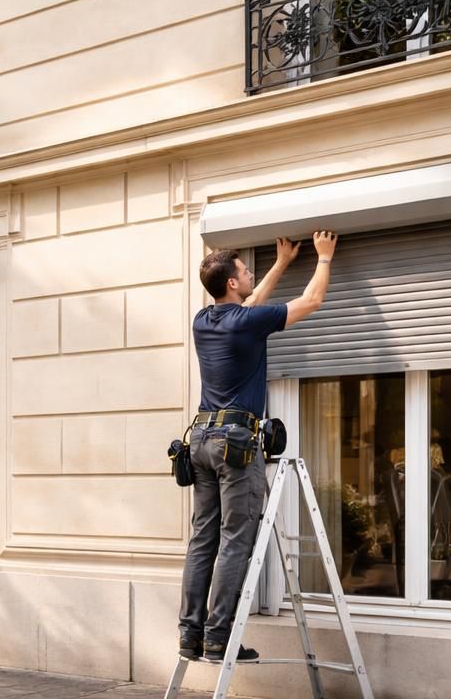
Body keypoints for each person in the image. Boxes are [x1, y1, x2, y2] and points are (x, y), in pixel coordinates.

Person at [179, 230, 339, 662]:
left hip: (201, 441)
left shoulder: (203, 320)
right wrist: (323, 258)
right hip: (235, 444)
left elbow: (246, 308)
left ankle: (191, 635)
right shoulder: (245, 322)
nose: (250, 274)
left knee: (202, 541)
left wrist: (281, 264)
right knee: (235, 541)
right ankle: (218, 638)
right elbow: (311, 302)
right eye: (245, 271)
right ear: (231, 282)